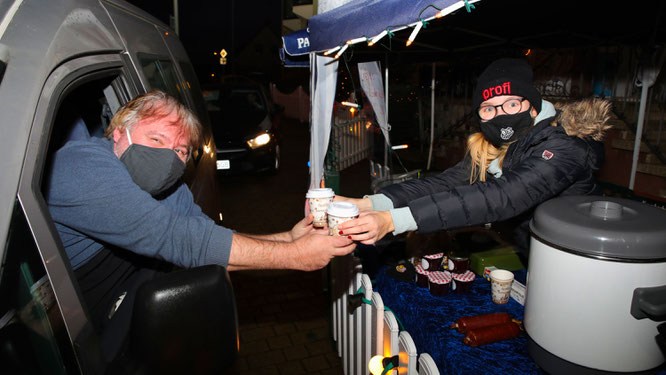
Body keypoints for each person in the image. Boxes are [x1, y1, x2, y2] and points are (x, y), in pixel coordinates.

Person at [45, 90, 355, 358]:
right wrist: (296, 256)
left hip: (108, 322)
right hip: (55, 333)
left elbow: (208, 237)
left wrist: (288, 238)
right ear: (118, 132)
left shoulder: (168, 189)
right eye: (156, 139)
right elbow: (176, 238)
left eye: (180, 151)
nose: (169, 157)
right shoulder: (81, 167)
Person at [336, 58, 611, 254]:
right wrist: (370, 204)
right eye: (488, 108)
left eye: (511, 103)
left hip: (584, 258)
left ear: (533, 108)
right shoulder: (497, 146)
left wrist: (393, 221)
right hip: (536, 252)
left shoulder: (566, 146)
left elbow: (505, 196)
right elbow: (444, 184)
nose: (500, 114)